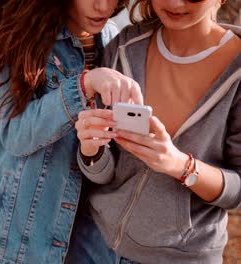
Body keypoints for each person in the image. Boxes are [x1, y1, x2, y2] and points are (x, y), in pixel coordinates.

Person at [0, 0, 147, 263]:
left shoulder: (113, 40)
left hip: (73, 247)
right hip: (6, 245)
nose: (102, 6)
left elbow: (99, 164)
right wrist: (83, 85)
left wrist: (94, 150)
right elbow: (16, 135)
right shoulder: (14, 30)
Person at [75, 0, 241, 263]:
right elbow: (102, 173)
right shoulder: (125, 46)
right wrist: (90, 151)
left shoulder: (237, 70)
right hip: (91, 244)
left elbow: (237, 192)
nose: (175, 2)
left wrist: (180, 166)